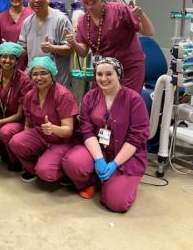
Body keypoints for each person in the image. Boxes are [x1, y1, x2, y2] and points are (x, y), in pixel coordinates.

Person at [62, 58, 149, 212]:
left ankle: (121, 182)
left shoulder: (134, 99)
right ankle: (92, 181)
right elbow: (86, 130)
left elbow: (137, 137)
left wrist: (115, 163)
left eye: (109, 74)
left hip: (125, 156)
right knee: (72, 163)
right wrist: (99, 159)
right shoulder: (90, 97)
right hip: (98, 150)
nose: (103, 79)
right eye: (99, 74)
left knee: (116, 203)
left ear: (119, 75)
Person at [65, 0, 154, 93]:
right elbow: (83, 52)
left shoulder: (119, 10)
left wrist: (141, 15)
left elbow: (148, 32)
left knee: (124, 104)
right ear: (80, 0)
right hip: (104, 71)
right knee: (99, 104)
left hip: (128, 68)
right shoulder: (82, 21)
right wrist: (73, 43)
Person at [9, 56, 79, 183]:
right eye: (35, 74)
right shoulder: (30, 95)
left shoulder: (63, 95)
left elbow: (68, 130)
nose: (39, 78)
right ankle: (33, 168)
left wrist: (53, 128)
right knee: (16, 141)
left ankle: (64, 172)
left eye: (43, 73)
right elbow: (28, 123)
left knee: (46, 172)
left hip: (62, 140)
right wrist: (27, 142)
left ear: (52, 74)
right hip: (41, 136)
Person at [0, 42, 32, 171]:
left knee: (5, 132)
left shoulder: (24, 80)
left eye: (12, 58)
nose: (7, 60)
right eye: (4, 57)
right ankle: (7, 154)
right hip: (1, 119)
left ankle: (15, 162)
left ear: (17, 61)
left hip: (17, 121)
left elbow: (20, 114)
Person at [18, 0, 73, 88]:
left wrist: (53, 48)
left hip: (57, 78)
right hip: (34, 78)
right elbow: (23, 49)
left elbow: (70, 49)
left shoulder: (61, 20)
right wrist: (12, 49)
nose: (36, 0)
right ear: (28, 1)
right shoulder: (27, 22)